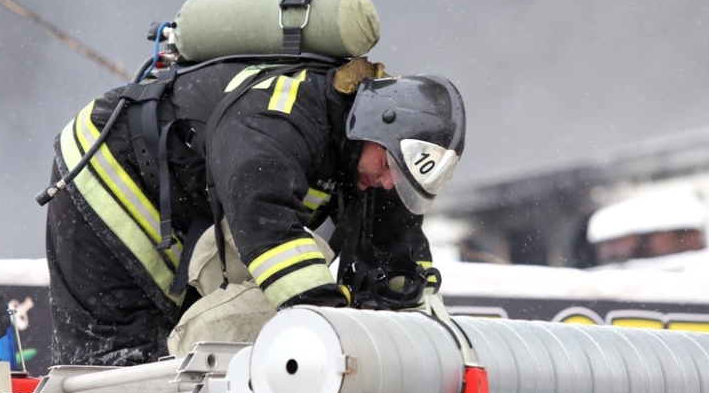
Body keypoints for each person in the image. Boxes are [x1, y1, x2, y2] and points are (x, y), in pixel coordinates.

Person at [44, 55, 466, 366]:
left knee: (176, 368)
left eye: (404, 179)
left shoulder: (372, 159)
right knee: (118, 371)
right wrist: (337, 334)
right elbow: (267, 226)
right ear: (379, 124)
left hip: (184, 208)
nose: (389, 182)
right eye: (390, 166)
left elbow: (399, 262)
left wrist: (438, 344)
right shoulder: (280, 119)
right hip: (106, 173)